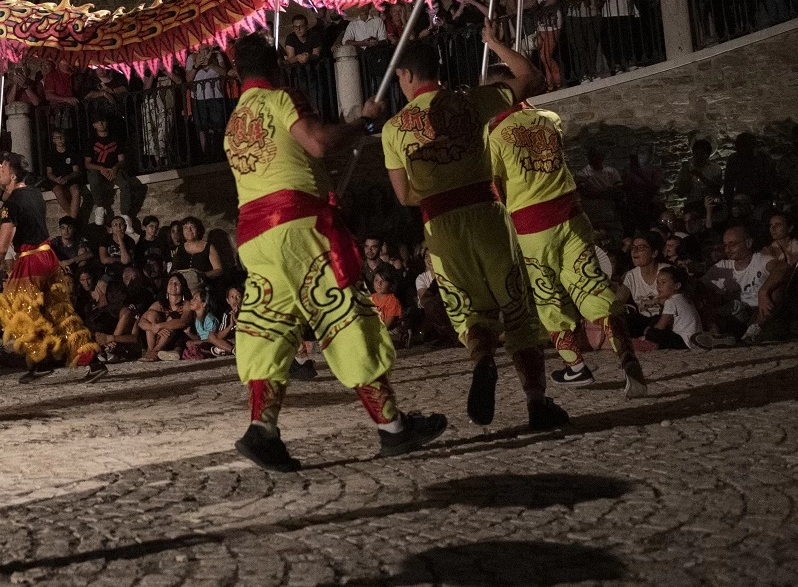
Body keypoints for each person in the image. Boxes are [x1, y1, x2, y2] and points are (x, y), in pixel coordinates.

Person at [225, 32, 447, 471]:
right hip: (299, 228)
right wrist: (362, 123)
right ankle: (393, 429)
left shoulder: (233, 122)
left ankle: (262, 429)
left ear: (237, 74)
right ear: (274, 66)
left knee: (269, 327)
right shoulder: (280, 99)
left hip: (254, 238)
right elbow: (318, 143)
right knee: (345, 317)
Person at [383, 30, 564, 432]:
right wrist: (495, 43)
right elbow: (530, 78)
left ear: (408, 74)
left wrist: (436, 187)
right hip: (485, 212)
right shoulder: (470, 101)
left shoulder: (394, 128)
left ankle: (482, 359)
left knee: (471, 311)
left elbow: (404, 195)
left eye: (399, 77)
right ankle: (536, 402)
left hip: (440, 224)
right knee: (516, 307)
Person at [484, 88, 649, 398]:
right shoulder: (549, 119)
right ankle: (628, 361)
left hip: (533, 227)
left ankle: (576, 367)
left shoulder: (495, 136)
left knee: (548, 298)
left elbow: (494, 186)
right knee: (593, 288)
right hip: (570, 216)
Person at [0, 154, 107, 383]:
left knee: (18, 312)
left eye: (2, 171)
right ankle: (91, 361)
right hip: (47, 257)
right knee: (58, 312)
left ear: (12, 176)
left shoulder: (11, 204)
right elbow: (12, 196)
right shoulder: (33, 194)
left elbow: (3, 246)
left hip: (30, 261)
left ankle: (41, 360)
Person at [84, 116, 144, 224]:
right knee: (94, 178)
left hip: (113, 169)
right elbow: (87, 164)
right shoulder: (91, 141)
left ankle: (125, 215)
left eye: (102, 120)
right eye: (97, 122)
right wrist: (101, 168)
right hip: (99, 170)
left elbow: (122, 160)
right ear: (94, 125)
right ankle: (100, 207)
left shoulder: (115, 138)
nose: (101, 123)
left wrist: (115, 168)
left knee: (125, 184)